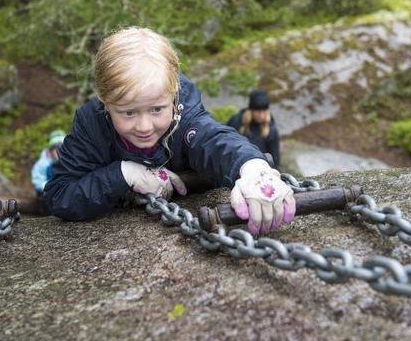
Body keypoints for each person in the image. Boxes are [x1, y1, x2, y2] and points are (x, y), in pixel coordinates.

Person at [43, 27, 295, 235]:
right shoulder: (92, 125)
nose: (144, 127)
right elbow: (60, 195)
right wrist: (122, 174)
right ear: (105, 102)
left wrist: (252, 168)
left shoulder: (184, 115)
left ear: (173, 96)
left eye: (156, 110)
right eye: (128, 112)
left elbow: (212, 140)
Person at [227, 90, 280, 169]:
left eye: (264, 112)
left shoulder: (271, 129)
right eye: (258, 111)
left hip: (261, 169)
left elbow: (275, 159)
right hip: (238, 166)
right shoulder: (236, 122)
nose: (261, 115)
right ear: (251, 110)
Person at [31, 130, 66, 203]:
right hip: (47, 193)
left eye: (62, 148)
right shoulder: (43, 163)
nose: (59, 152)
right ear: (51, 151)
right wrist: (53, 186)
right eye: (56, 149)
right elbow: (38, 183)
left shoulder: (70, 162)